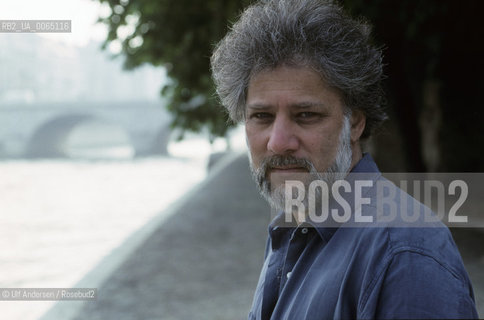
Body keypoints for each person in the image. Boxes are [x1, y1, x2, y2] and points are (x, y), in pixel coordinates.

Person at [210, 0, 478, 319]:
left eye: (306, 115)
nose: (279, 142)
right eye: (262, 116)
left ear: (355, 124)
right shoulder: (294, 223)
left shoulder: (404, 254)